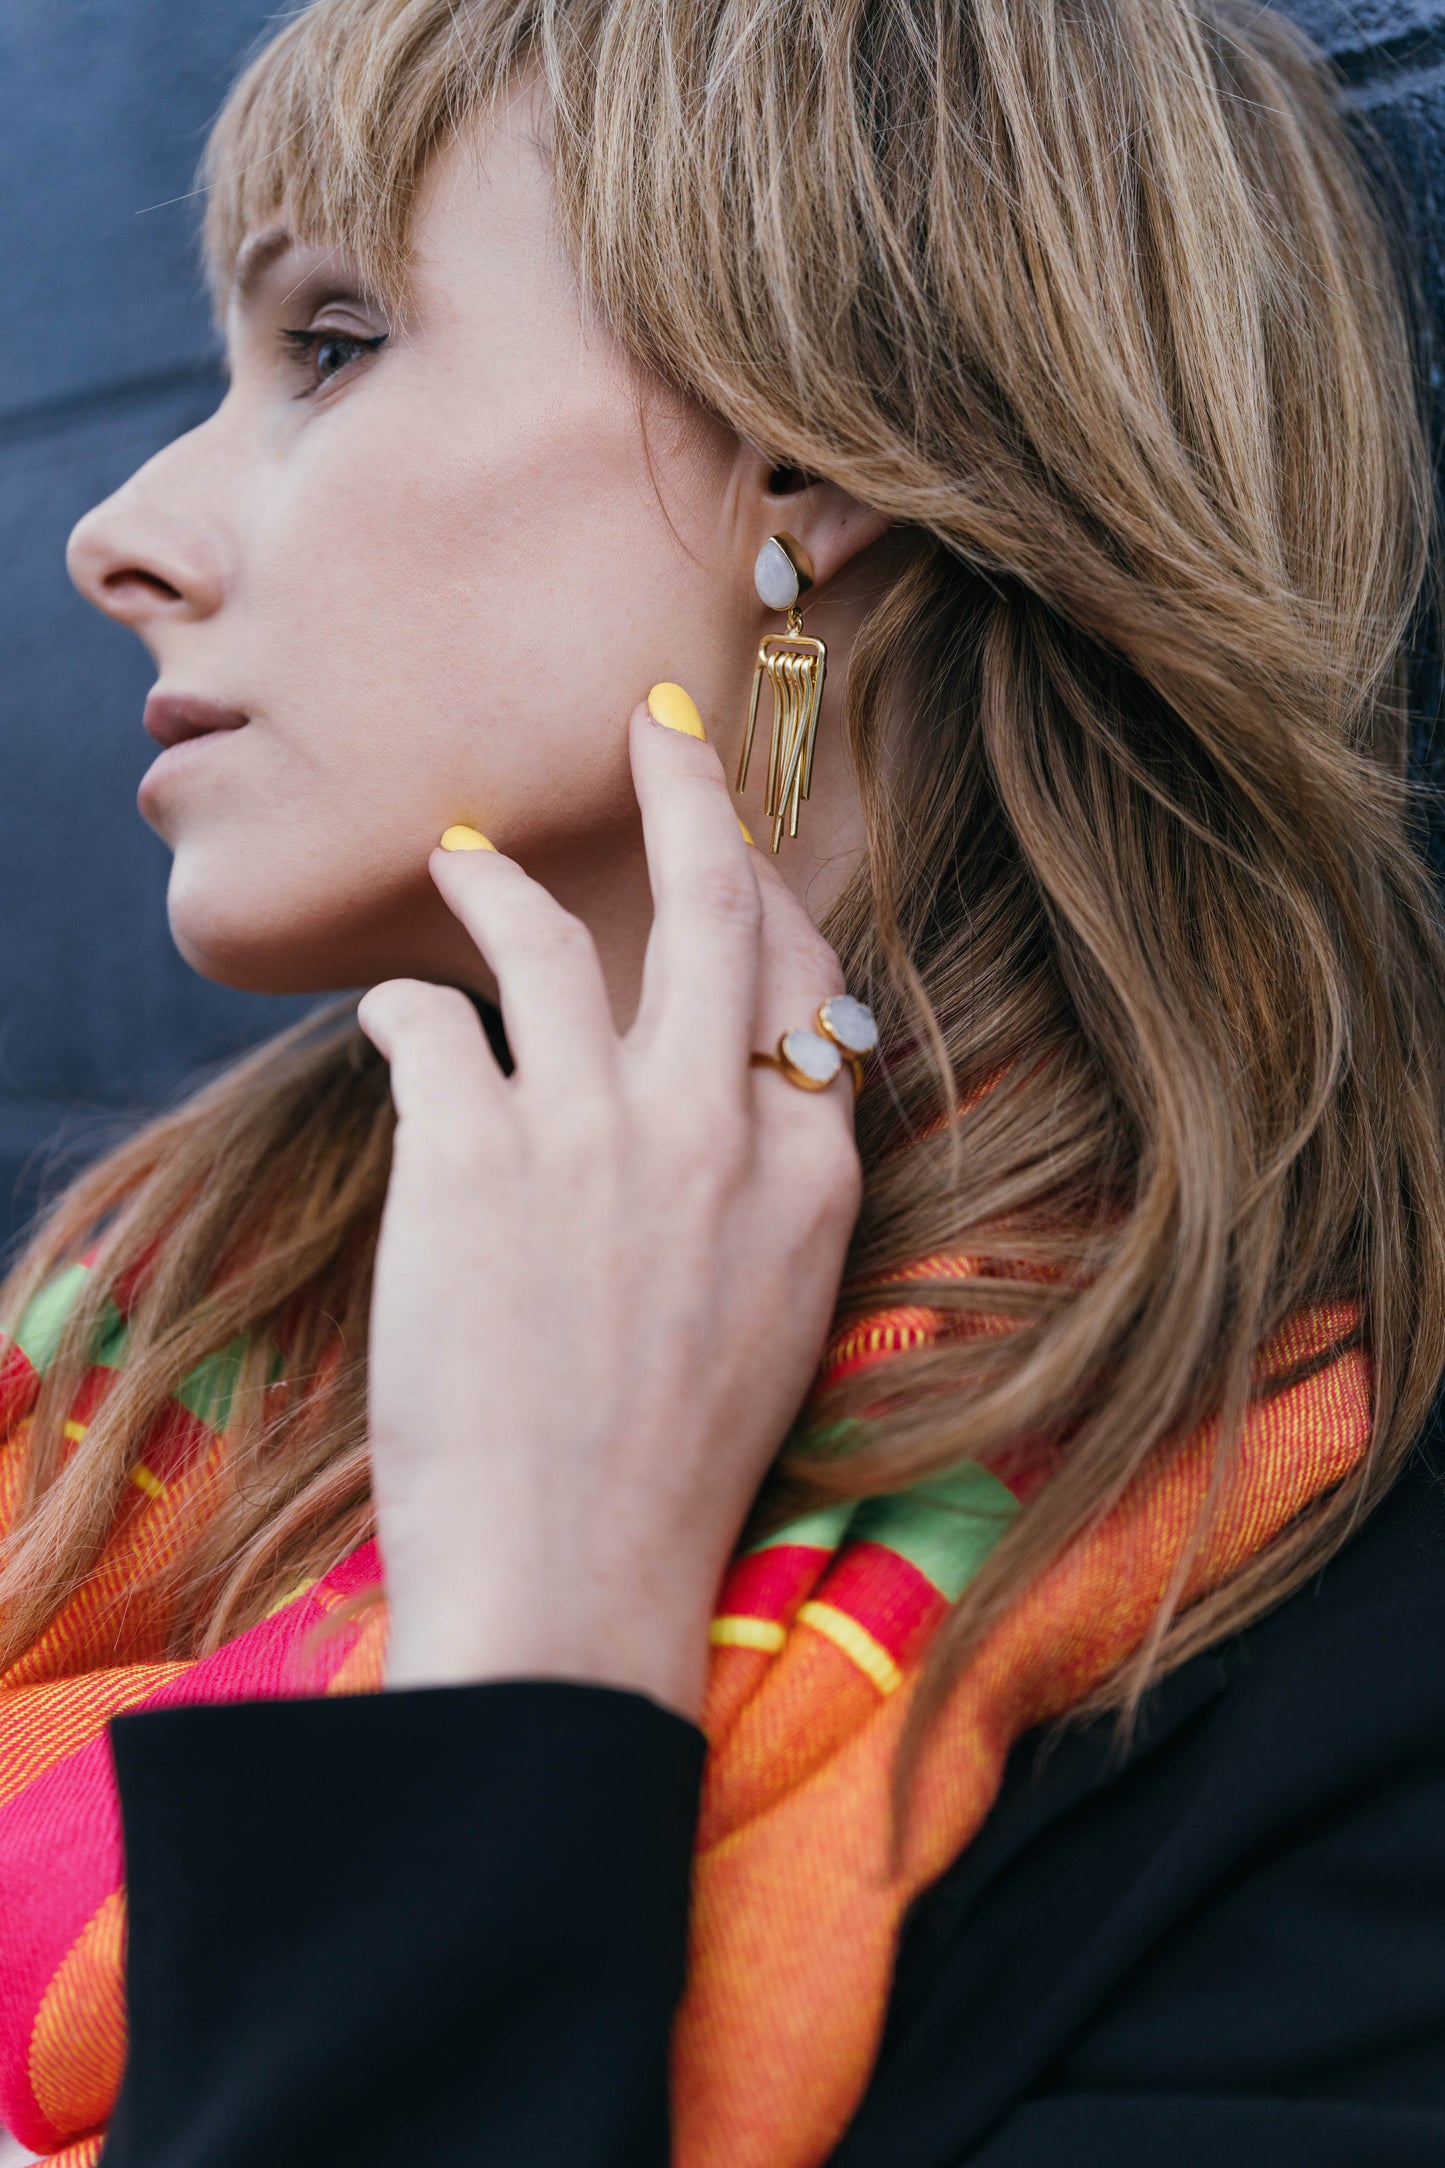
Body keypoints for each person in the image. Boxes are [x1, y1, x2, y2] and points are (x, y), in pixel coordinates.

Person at [2, 0, 1445, 2160]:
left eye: (331, 344)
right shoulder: (127, 1348)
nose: (113, 533)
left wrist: (532, 1655)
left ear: (814, 452)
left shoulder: (1309, 1623)